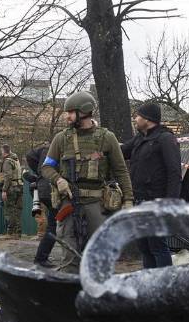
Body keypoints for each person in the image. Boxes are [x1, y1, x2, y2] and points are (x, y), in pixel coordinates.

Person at [40, 92, 133, 269]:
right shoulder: (61, 138)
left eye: (70, 112)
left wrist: (128, 200)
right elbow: (46, 167)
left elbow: (121, 171)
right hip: (68, 202)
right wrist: (58, 179)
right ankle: (70, 293)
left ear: (84, 112)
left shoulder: (107, 138)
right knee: (69, 255)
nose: (67, 116)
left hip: (97, 204)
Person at [121, 102, 182, 269]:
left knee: (157, 246)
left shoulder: (165, 138)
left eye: (138, 115)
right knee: (144, 246)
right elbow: (120, 151)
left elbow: (174, 173)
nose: (135, 118)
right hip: (139, 200)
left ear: (148, 119)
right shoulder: (140, 138)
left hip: (156, 202)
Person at [24, 145, 57, 267]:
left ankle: (41, 258)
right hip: (51, 189)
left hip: (43, 189)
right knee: (54, 224)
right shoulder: (53, 149)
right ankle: (41, 258)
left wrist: (38, 176)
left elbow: (30, 156)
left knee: (53, 224)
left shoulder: (45, 151)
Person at [0, 144, 21, 234]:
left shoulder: (7, 161)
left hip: (11, 188)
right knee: (18, 210)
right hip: (19, 186)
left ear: (4, 152)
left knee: (9, 209)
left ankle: (11, 232)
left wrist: (4, 190)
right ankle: (18, 232)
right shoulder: (16, 159)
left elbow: (8, 176)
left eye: (1, 151)